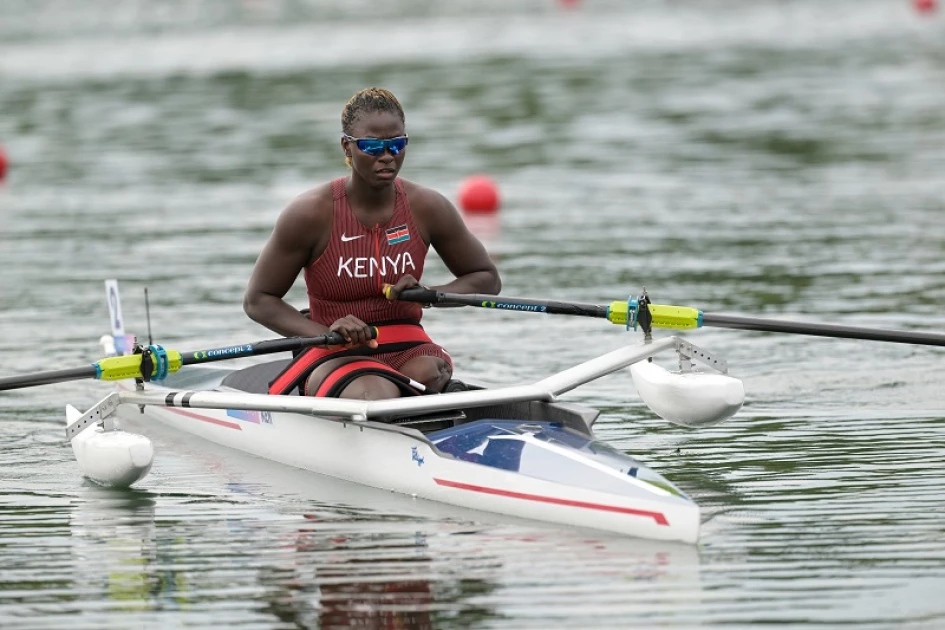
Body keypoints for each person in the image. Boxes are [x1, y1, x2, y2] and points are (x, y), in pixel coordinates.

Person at [244, 87, 501, 400]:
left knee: (430, 373)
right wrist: (324, 333)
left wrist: (429, 295)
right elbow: (259, 300)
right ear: (347, 147)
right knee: (377, 394)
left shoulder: (427, 206)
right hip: (335, 349)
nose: (387, 157)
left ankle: (432, 407)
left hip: (406, 342)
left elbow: (486, 278)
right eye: (372, 146)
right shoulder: (310, 213)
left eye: (396, 145)